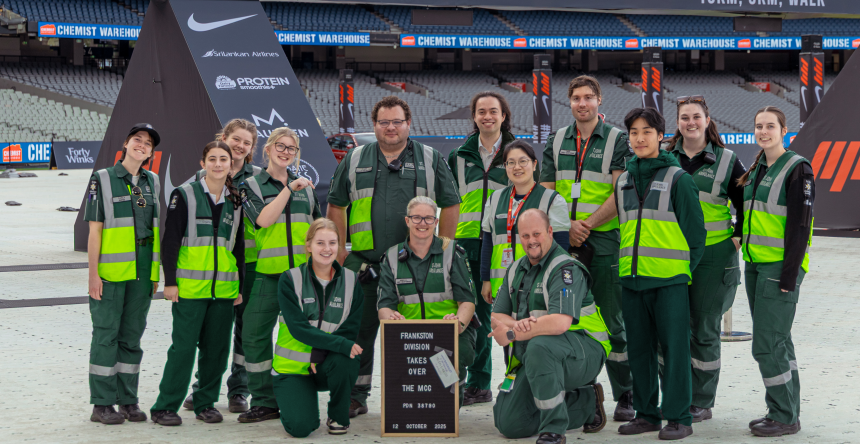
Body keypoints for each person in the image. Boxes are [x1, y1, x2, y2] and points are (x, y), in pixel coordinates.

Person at [326, 95, 461, 417]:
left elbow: (451, 203)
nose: (391, 127)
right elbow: (336, 205)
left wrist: (444, 247)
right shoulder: (354, 158)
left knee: (424, 334)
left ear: (408, 124)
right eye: (384, 122)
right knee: (357, 332)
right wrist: (341, 252)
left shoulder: (430, 158)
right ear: (374, 125)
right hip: (365, 265)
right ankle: (356, 394)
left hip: (417, 267)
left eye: (397, 121)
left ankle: (436, 394)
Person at [539, 75, 634, 420]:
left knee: (611, 321)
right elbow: (546, 191)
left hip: (604, 240)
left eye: (588, 97)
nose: (582, 103)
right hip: (564, 242)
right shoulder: (556, 139)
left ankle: (626, 392)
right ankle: (581, 392)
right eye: (576, 97)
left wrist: (587, 224)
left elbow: (620, 191)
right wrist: (567, 226)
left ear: (599, 100)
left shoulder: (617, 139)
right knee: (566, 317)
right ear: (569, 102)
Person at [613, 108, 705, 440]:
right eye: (634, 132)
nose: (639, 138)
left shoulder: (678, 179)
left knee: (675, 352)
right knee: (639, 351)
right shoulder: (623, 181)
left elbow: (696, 237)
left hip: (669, 283)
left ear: (660, 137)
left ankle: (679, 417)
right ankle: (647, 415)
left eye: (646, 132)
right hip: (632, 281)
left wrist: (679, 273)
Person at [489, 209, 611, 444]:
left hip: (584, 351)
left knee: (540, 346)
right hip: (537, 356)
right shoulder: (515, 269)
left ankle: (553, 430)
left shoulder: (566, 268)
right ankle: (586, 402)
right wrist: (518, 324)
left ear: (550, 232)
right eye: (525, 236)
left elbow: (560, 322)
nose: (531, 241)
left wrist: (512, 332)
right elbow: (496, 315)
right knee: (509, 422)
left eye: (537, 234)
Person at [447, 91, 534, 406]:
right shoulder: (458, 156)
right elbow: (450, 201)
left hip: (502, 245)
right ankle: (478, 382)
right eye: (481, 111)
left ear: (503, 115)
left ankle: (514, 383)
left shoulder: (517, 153)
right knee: (472, 313)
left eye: (493, 111)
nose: (487, 116)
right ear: (474, 116)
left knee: (499, 315)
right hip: (465, 244)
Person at [150, 141, 246, 426]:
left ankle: (205, 403)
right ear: (203, 163)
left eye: (223, 159)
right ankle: (165, 407)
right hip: (190, 289)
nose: (218, 164)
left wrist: (239, 287)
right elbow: (170, 239)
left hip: (224, 290)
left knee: (216, 351)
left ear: (231, 165)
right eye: (212, 159)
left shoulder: (235, 200)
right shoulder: (184, 194)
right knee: (183, 349)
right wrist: (170, 281)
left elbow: (239, 247)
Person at [663, 96, 746, 422]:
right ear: (678, 122)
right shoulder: (665, 157)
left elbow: (746, 201)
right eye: (685, 117)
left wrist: (737, 236)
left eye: (696, 117)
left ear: (707, 120)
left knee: (704, 330)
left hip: (713, 256)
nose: (691, 123)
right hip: (670, 253)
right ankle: (675, 395)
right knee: (670, 329)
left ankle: (701, 401)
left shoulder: (727, 160)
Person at [236, 127, 320, 423]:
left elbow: (318, 229)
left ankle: (296, 394)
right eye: (280, 146)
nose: (286, 152)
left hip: (302, 278)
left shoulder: (307, 188)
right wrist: (288, 189)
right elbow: (263, 220)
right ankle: (264, 401)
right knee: (253, 335)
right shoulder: (250, 185)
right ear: (268, 149)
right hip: (268, 275)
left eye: (291, 148)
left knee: (300, 338)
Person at [740, 106, 813, 438]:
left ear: (784, 131)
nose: (763, 131)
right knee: (779, 341)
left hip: (779, 267)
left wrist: (789, 275)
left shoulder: (797, 169)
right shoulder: (757, 167)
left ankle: (784, 416)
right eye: (759, 126)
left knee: (766, 344)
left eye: (770, 126)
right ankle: (786, 410)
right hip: (755, 265)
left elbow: (800, 225)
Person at [85, 123, 162, 424]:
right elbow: (95, 231)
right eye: (137, 140)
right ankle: (102, 404)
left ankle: (128, 400)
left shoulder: (153, 180)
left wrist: (154, 273)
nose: (142, 145)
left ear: (151, 152)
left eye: (148, 143)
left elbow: (154, 229)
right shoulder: (102, 178)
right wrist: (93, 275)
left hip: (143, 269)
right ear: (126, 144)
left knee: (132, 336)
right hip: (112, 270)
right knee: (106, 336)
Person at [185, 118, 260, 414]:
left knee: (245, 331)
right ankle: (203, 387)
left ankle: (239, 390)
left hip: (250, 266)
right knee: (212, 332)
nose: (240, 146)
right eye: (236, 139)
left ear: (252, 149)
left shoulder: (259, 178)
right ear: (224, 137)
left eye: (247, 143)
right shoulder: (201, 176)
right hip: (213, 267)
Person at [377, 196, 477, 407]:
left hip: (446, 333)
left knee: (445, 364)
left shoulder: (452, 252)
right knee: (411, 397)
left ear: (436, 222)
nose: (422, 223)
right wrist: (391, 320)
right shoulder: (391, 256)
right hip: (409, 335)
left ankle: (447, 405)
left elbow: (467, 301)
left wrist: (457, 324)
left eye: (428, 218)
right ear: (407, 221)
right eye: (416, 218)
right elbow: (384, 305)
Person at [273, 218, 364, 437]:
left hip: (325, 365)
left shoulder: (352, 281)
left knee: (348, 356)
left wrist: (319, 354)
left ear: (339, 245)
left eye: (332, 243)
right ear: (308, 245)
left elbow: (349, 329)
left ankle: (338, 415)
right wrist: (326, 349)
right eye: (320, 243)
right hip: (293, 369)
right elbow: (298, 328)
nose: (327, 249)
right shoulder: (290, 279)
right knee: (301, 428)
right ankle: (295, 401)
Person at [480, 140, 568, 303]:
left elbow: (561, 246)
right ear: (505, 167)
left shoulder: (552, 199)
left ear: (534, 165)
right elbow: (487, 243)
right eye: (511, 163)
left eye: (523, 161)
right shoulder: (494, 199)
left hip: (538, 285)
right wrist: (486, 279)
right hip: (501, 285)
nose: (517, 167)